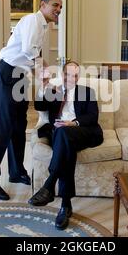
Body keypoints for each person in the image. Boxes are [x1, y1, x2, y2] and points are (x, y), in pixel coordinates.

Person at [0, 0, 63, 201]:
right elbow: (28, 51)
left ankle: (16, 172)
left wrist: (44, 81)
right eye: (55, 5)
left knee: (18, 125)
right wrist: (43, 71)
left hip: (20, 75)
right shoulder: (31, 21)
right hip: (7, 73)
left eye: (60, 7)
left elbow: (32, 57)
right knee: (4, 127)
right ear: (42, 5)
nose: (58, 10)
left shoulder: (43, 26)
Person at [28, 61, 104, 230]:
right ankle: (65, 205)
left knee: (64, 134)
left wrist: (73, 123)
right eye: (69, 75)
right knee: (65, 144)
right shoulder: (54, 91)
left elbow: (92, 117)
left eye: (76, 75)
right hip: (61, 135)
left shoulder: (87, 92)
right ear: (63, 75)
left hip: (82, 131)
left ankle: (49, 186)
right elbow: (39, 106)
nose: (72, 78)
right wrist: (42, 87)